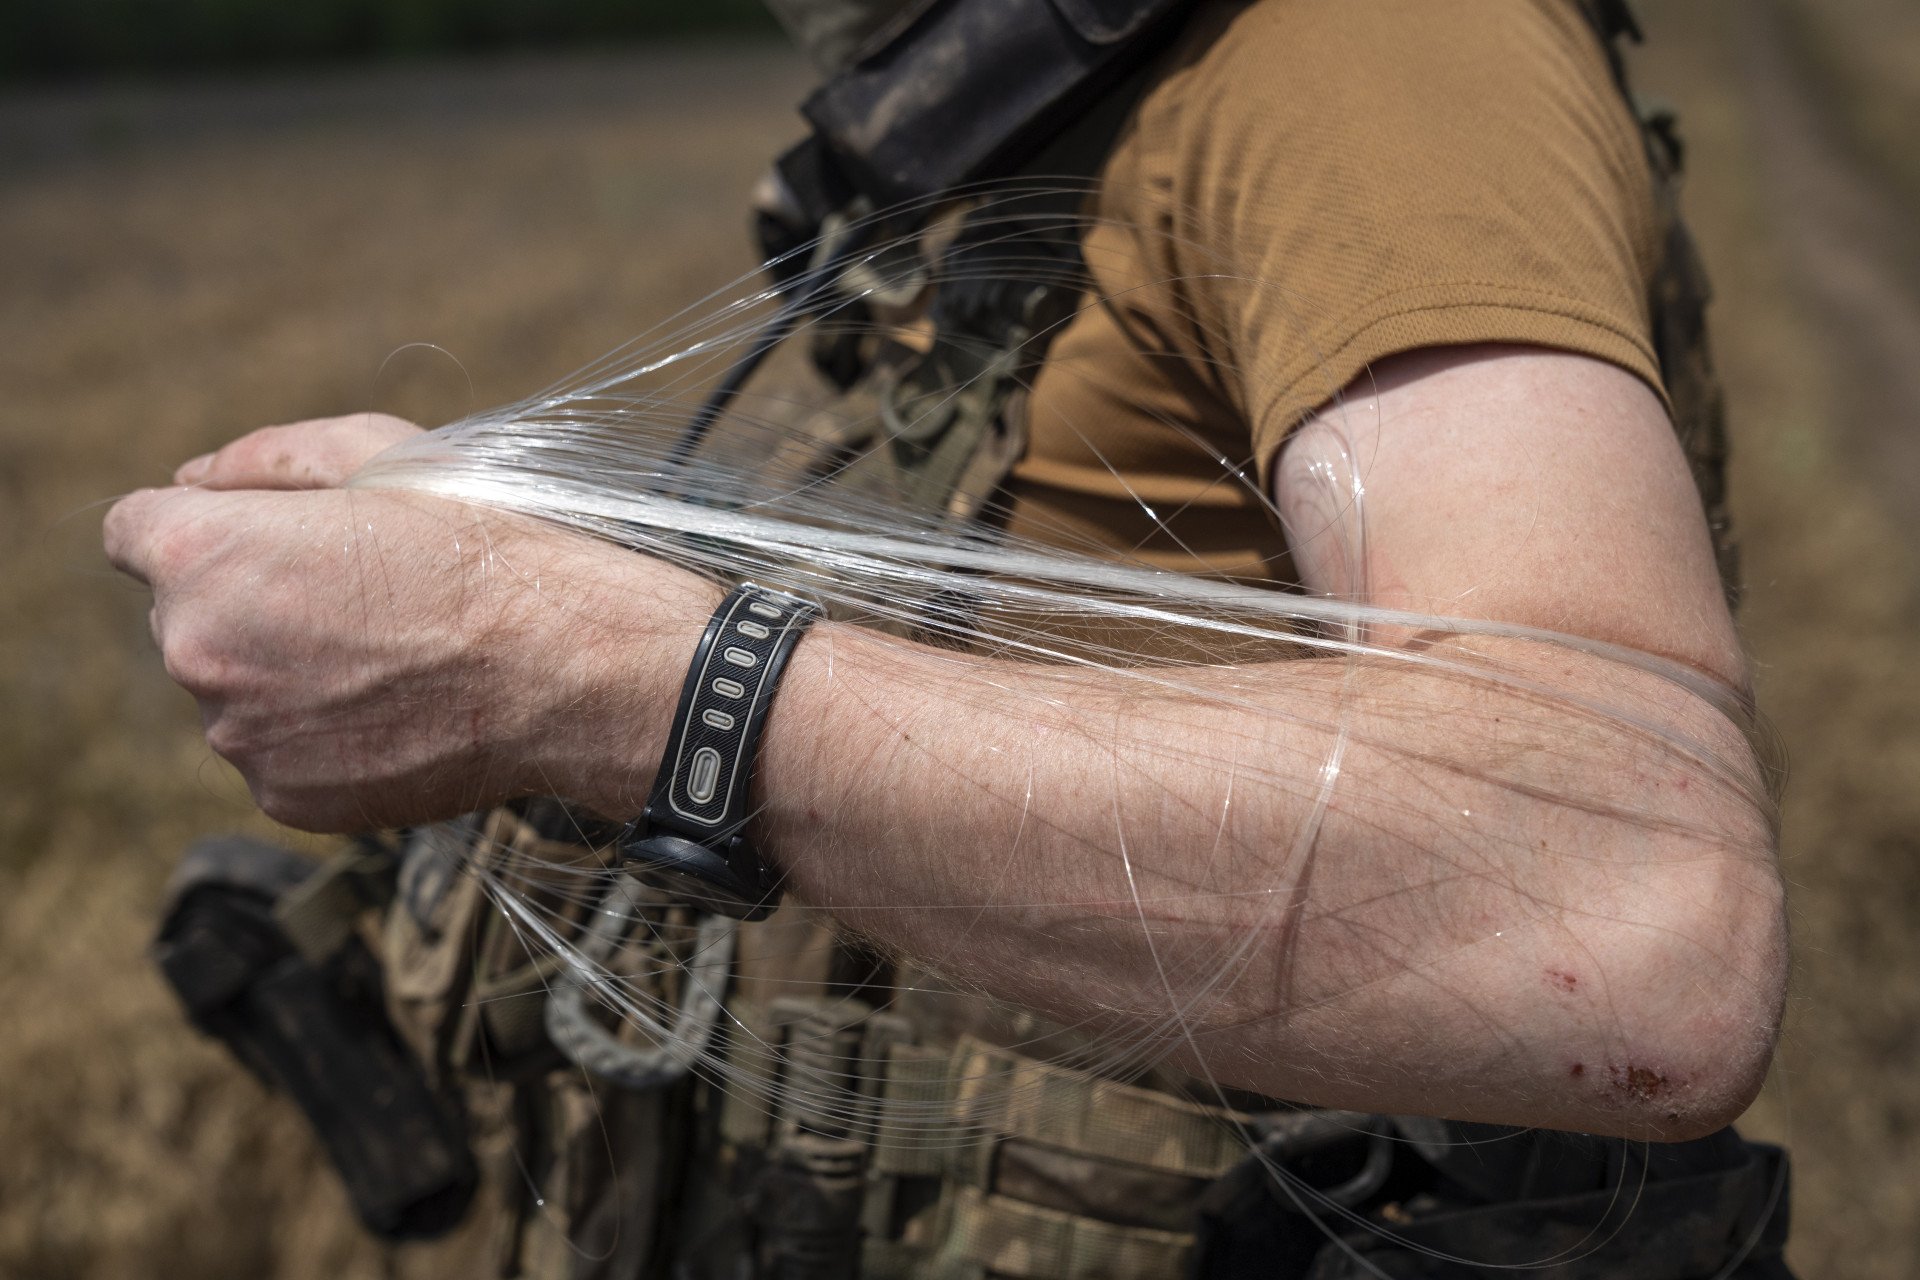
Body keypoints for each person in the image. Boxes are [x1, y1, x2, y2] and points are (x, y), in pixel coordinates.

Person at [106, 1, 1795, 1275]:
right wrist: (507, 543)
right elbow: (1043, 620)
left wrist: (556, 660)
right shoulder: (1036, 90)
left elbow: (1625, 909)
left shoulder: (1375, 58)